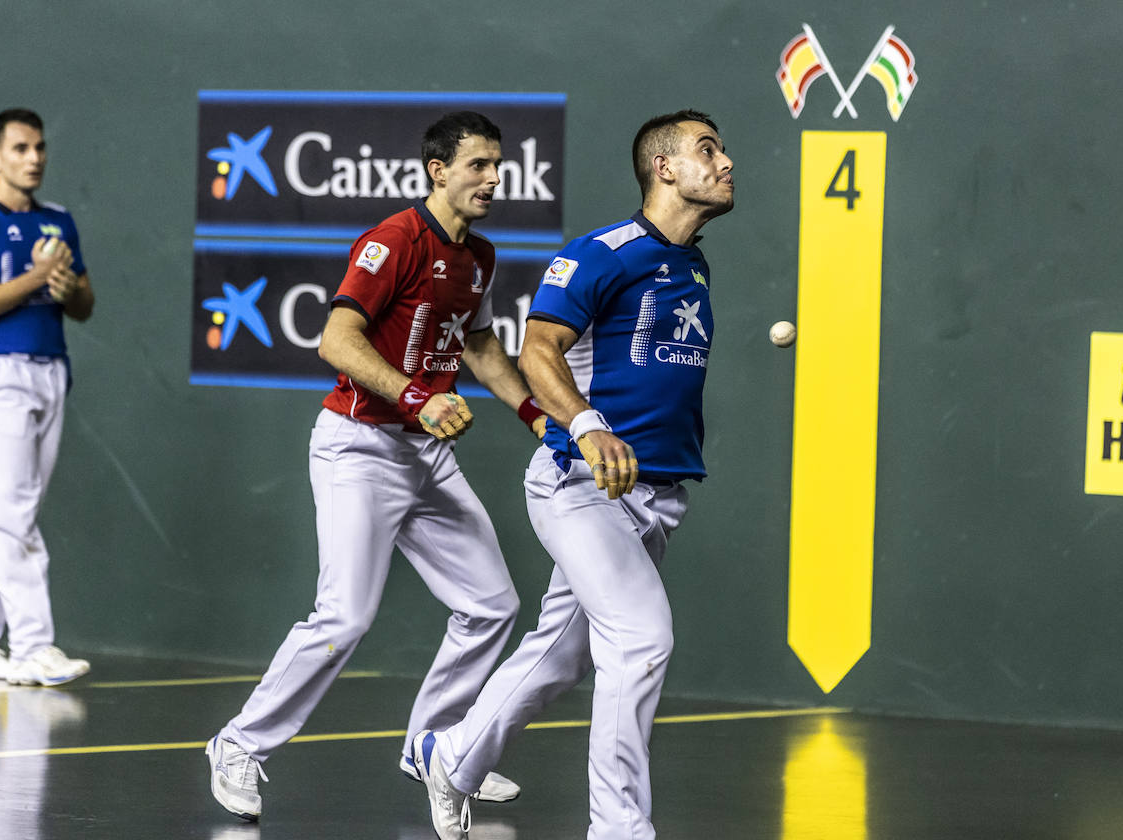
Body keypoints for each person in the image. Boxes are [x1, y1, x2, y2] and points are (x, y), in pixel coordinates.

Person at [206, 111, 548, 822]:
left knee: (492, 605)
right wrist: (417, 395)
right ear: (438, 171)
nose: (494, 178)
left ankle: (438, 747)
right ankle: (239, 744)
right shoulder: (393, 240)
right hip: (360, 447)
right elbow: (336, 338)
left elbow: (480, 346)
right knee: (345, 614)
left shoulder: (479, 256)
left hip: (426, 456)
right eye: (479, 165)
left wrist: (532, 414)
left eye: (498, 165)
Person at [412, 109, 735, 840]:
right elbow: (538, 349)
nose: (725, 163)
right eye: (706, 151)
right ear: (664, 168)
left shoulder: (692, 263)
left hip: (654, 496)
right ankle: (619, 830)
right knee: (641, 638)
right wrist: (588, 428)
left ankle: (452, 755)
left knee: (560, 655)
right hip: (579, 484)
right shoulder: (602, 253)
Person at [0, 108, 95, 687]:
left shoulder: (59, 222)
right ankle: (33, 647)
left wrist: (66, 284)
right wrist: (36, 279)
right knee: (13, 516)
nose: (34, 158)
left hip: (51, 371)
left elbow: (84, 305)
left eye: (39, 148)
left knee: (13, 515)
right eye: (21, 148)